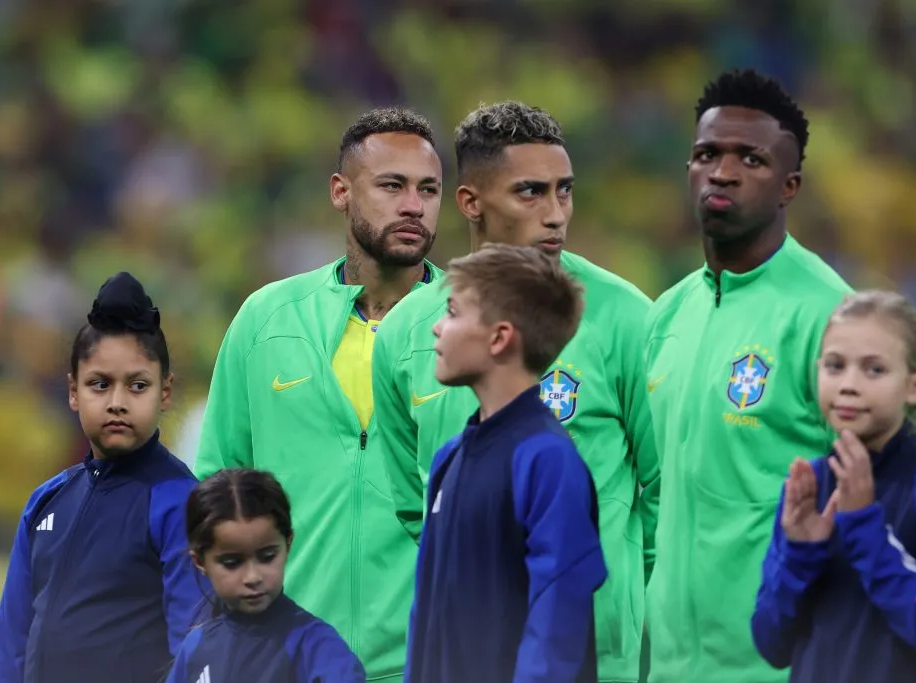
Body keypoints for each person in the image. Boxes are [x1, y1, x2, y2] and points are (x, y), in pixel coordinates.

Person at [373, 100, 657, 683]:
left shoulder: (627, 318)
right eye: (531, 193)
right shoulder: (408, 330)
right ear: (471, 203)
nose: (556, 214)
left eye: (565, 191)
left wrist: (623, 609)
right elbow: (414, 503)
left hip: (592, 657)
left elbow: (660, 489)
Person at [193, 107, 444, 681]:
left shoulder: (472, 324)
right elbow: (216, 487)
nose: (414, 205)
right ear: (340, 191)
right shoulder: (266, 320)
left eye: (428, 189)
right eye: (392, 185)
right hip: (284, 659)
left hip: (430, 657)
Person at [642, 68, 852, 683]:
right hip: (671, 667)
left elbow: (887, 487)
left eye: (750, 159)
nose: (723, 172)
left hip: (785, 667)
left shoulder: (830, 316)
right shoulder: (667, 315)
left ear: (789, 186)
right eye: (707, 154)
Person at [0, 272, 204, 683]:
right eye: (99, 385)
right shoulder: (46, 501)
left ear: (165, 391)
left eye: (137, 385)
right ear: (73, 391)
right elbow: (10, 644)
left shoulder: (181, 502)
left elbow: (192, 649)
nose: (117, 403)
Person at [405, 244, 606, 683]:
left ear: (499, 338)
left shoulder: (547, 460)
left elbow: (557, 630)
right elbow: (426, 619)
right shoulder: (449, 458)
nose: (438, 328)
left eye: (453, 312)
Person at [751, 290, 916, 682]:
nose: (849, 385)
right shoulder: (810, 485)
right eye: (835, 366)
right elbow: (771, 643)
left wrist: (863, 527)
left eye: (874, 370)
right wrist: (801, 552)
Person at [166, 468, 365, 683]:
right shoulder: (196, 647)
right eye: (232, 563)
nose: (253, 577)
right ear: (200, 562)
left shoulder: (319, 649)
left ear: (287, 544)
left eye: (267, 557)